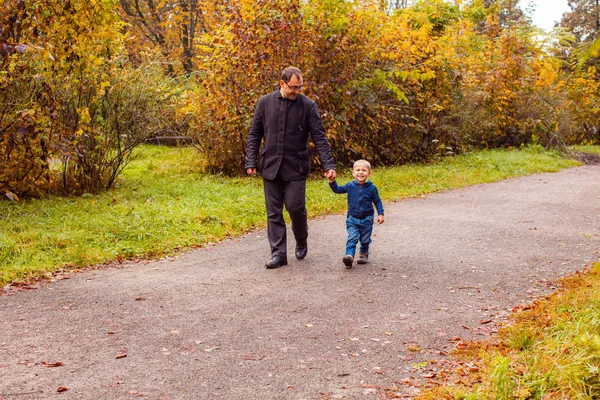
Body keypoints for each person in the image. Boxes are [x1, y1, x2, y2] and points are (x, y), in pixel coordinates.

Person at [245, 67, 336, 269]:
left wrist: (328, 165)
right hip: (270, 166)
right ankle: (278, 254)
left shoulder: (308, 106)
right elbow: (254, 134)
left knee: (295, 207)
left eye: (300, 87)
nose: (297, 91)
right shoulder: (265, 102)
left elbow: (319, 137)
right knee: (273, 212)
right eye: (293, 87)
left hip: (296, 167)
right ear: (282, 84)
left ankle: (301, 239)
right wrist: (250, 160)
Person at [329, 159, 384, 269]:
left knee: (365, 239)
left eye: (364, 170)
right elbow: (338, 190)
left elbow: (377, 201)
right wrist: (332, 181)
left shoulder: (372, 188)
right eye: (358, 170)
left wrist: (381, 214)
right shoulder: (350, 186)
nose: (360, 172)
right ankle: (349, 255)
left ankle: (363, 254)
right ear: (353, 173)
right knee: (352, 237)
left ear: (369, 173)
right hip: (352, 218)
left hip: (367, 219)